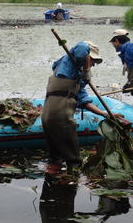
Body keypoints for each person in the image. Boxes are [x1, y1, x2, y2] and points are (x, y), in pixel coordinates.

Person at [41, 41, 122, 172]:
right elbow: (82, 48)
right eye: (93, 61)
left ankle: (56, 180)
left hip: (50, 114)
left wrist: (106, 114)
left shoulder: (77, 79)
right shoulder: (71, 60)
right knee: (73, 157)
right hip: (59, 113)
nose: (93, 64)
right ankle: (72, 177)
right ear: (88, 56)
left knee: (55, 155)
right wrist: (87, 69)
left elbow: (85, 101)